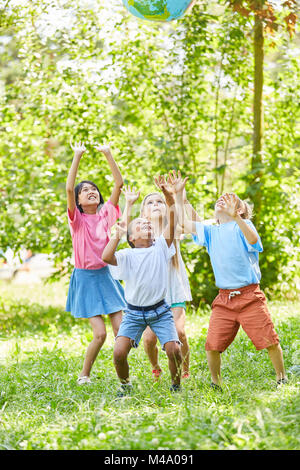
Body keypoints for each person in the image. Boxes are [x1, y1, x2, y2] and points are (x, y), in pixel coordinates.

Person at [172, 173, 287, 390]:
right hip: (224, 299)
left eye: (230, 199)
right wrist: (179, 195)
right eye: (220, 199)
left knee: (269, 340)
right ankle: (216, 382)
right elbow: (185, 224)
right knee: (212, 345)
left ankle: (281, 377)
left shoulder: (243, 225)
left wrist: (237, 218)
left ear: (240, 210)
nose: (222, 199)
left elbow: (253, 240)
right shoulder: (211, 231)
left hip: (250, 296)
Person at [102, 175, 186, 396]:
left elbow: (173, 216)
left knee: (174, 349)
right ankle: (125, 385)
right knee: (119, 353)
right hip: (133, 314)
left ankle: (176, 385)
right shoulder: (127, 255)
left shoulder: (160, 247)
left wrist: (168, 194)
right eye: (140, 224)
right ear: (131, 237)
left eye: (147, 224)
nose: (146, 224)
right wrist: (116, 235)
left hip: (160, 311)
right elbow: (105, 257)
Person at [65, 140, 126, 384]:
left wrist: (108, 153)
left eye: (93, 189)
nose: (90, 191)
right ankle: (84, 374)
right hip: (86, 279)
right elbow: (69, 189)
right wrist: (77, 155)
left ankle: (123, 376)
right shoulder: (76, 220)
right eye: (84, 190)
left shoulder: (106, 214)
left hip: (106, 276)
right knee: (99, 335)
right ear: (78, 201)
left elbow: (119, 183)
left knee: (121, 333)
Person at [139, 182, 192, 380]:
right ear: (143, 213)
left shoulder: (174, 228)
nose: (156, 204)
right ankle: (155, 367)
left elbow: (176, 213)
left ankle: (185, 370)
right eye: (150, 202)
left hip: (174, 288)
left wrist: (171, 195)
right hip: (150, 294)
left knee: (179, 331)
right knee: (149, 338)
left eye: (160, 202)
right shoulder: (140, 233)